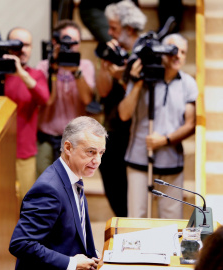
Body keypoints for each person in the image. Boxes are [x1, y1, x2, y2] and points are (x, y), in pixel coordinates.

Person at [9, 116, 107, 270]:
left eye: (101, 153)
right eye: (91, 152)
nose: (97, 160)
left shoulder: (73, 178)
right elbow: (21, 243)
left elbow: (71, 236)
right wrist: (72, 263)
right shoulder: (49, 190)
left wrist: (93, 255)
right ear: (68, 148)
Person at [118, 33, 198, 219]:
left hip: (171, 162)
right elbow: (124, 114)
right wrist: (137, 83)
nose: (177, 56)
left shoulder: (187, 83)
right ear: (161, 52)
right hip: (139, 159)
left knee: (171, 221)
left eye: (183, 52)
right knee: (137, 218)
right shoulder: (142, 78)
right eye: (172, 50)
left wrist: (165, 140)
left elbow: (191, 124)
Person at [0, 27, 50, 201]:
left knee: (25, 204)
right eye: (17, 45)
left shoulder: (36, 75)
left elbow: (43, 98)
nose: (22, 50)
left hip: (24, 153)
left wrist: (20, 72)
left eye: (26, 45)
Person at [96, 0, 147, 217]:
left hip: (136, 129)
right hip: (114, 127)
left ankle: (129, 220)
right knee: (107, 169)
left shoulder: (144, 53)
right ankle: (122, 217)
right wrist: (105, 66)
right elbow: (104, 90)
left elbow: (142, 93)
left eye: (114, 28)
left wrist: (123, 76)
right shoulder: (115, 50)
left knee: (132, 190)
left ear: (129, 29)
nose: (109, 32)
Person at [36, 19, 95, 177]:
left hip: (76, 141)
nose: (71, 46)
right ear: (56, 42)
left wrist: (76, 72)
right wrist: (53, 69)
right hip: (47, 136)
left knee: (71, 187)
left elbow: (87, 100)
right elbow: (47, 99)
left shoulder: (85, 66)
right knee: (44, 183)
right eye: (66, 41)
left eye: (75, 42)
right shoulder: (43, 66)